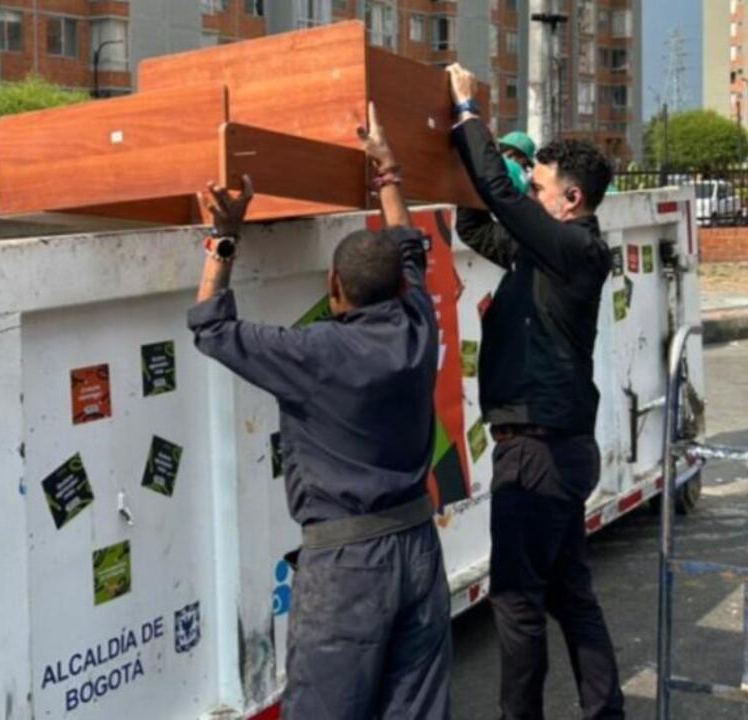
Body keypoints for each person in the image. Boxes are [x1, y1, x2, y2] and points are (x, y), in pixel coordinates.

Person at [187, 103, 450, 719]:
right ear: (402, 290)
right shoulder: (419, 324)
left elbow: (210, 326)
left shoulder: (314, 353)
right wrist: (389, 174)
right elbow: (411, 249)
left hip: (349, 568)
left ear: (333, 288)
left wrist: (224, 235)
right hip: (417, 548)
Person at [446, 62, 625, 720]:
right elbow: (477, 225)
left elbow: (501, 194)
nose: (530, 188)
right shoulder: (542, 253)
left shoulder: (574, 250)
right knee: (570, 594)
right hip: (556, 450)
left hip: (541, 453)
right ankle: (606, 712)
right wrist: (460, 160)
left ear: (568, 199)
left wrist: (467, 110)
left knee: (518, 603)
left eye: (540, 183)